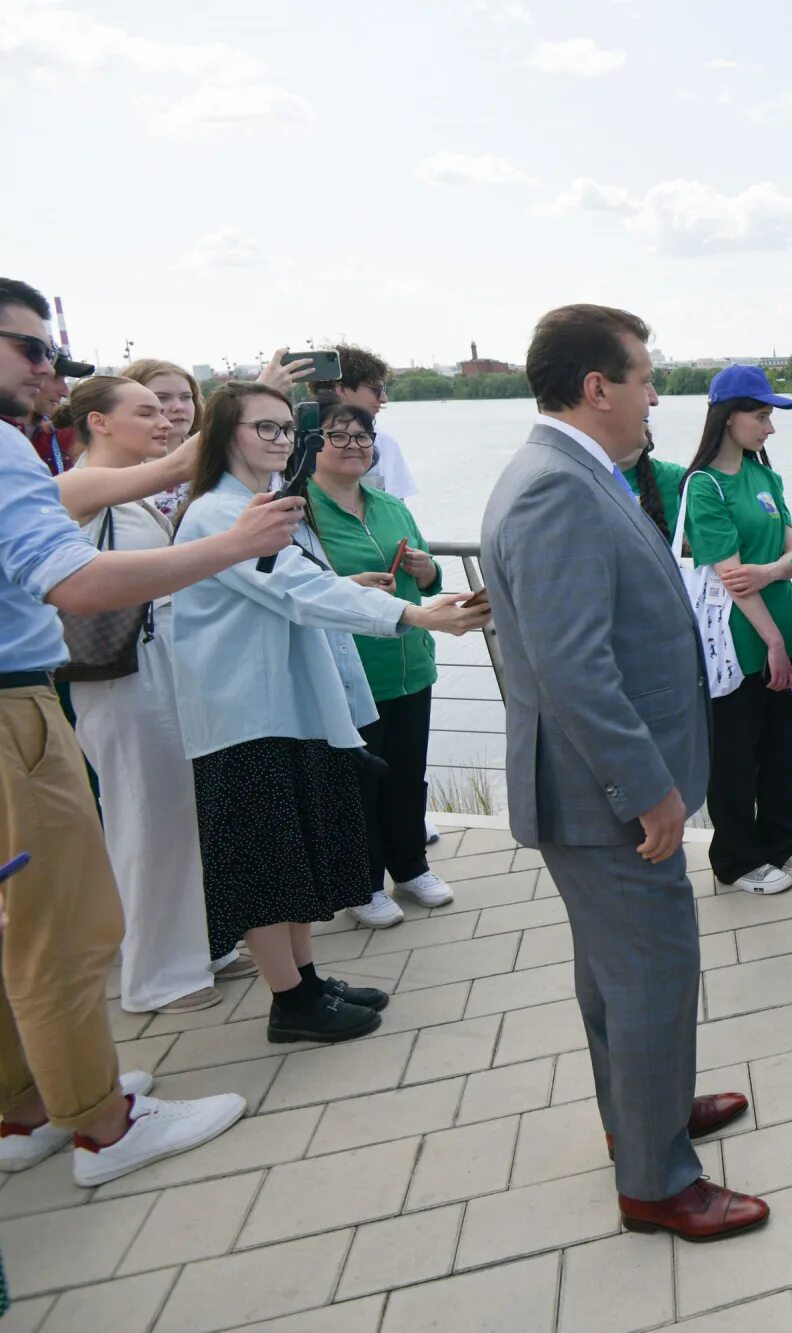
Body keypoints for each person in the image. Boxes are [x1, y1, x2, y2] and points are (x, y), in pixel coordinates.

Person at [0, 276, 303, 1186]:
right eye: (34, 348)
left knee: (22, 924)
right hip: (17, 704)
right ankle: (103, 1125)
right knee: (64, 925)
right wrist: (233, 543)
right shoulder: (12, 452)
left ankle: (28, 1108)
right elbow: (77, 584)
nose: (48, 367)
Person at [481, 303, 767, 1241]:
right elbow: (575, 668)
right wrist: (648, 787)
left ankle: (644, 1112)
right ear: (596, 387)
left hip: (593, 788)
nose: (656, 395)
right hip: (605, 794)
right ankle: (657, 1182)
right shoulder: (555, 487)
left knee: (616, 976)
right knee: (651, 969)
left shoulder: (576, 472)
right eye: (645, 377)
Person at [172, 383, 486, 1045]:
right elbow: (292, 588)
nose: (283, 441)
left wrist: (350, 588)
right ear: (224, 433)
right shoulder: (216, 516)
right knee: (265, 863)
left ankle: (309, 981)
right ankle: (290, 1001)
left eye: (288, 429)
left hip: (284, 709)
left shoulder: (264, 508)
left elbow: (293, 587)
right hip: (243, 715)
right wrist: (414, 613)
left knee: (295, 854)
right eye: (265, 428)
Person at [51, 377, 228, 1015]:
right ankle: (156, 978)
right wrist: (254, 396)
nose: (166, 421)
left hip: (159, 671)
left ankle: (187, 950)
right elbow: (182, 461)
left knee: (173, 814)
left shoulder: (132, 495)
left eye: (169, 410)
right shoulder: (78, 486)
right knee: (146, 820)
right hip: (125, 679)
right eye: (147, 411)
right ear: (97, 422)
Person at [308, 403, 457, 927]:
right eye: (338, 436)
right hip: (350, 672)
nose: (354, 445)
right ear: (312, 443)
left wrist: (428, 567)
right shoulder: (300, 511)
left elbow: (432, 579)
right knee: (358, 781)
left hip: (410, 662)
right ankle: (363, 884)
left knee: (407, 773)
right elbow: (300, 591)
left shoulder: (391, 505)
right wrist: (353, 586)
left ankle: (411, 866)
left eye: (363, 436)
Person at [681, 365, 792, 896]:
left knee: (783, 747)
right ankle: (737, 859)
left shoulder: (766, 476)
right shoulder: (705, 486)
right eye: (760, 417)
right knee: (737, 753)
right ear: (727, 417)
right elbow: (730, 578)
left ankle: (784, 842)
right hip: (739, 642)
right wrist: (774, 642)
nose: (769, 428)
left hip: (783, 623)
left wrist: (771, 571)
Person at [311, 345, 417, 498]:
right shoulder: (286, 443)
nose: (383, 399)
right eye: (376, 390)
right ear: (341, 390)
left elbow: (396, 511)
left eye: (361, 437)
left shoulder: (384, 443)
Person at [119, 358, 204, 521]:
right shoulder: (114, 466)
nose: (179, 406)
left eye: (186, 397)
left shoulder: (219, 453)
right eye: (162, 397)